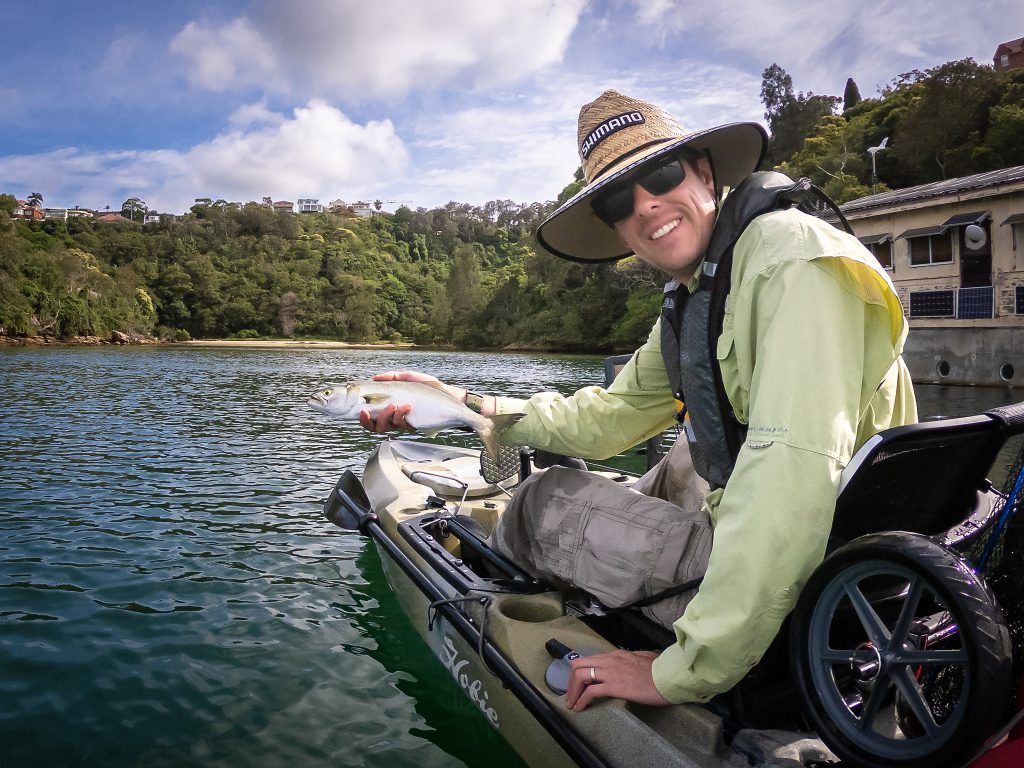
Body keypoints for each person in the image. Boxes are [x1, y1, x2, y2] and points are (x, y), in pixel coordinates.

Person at [361, 90, 917, 713]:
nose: (646, 205)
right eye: (619, 200)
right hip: (810, 540)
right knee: (686, 451)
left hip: (822, 585)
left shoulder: (790, 261)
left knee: (540, 498)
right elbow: (610, 417)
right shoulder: (703, 286)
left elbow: (790, 475)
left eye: (658, 175)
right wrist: (469, 404)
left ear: (705, 173)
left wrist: (683, 670)